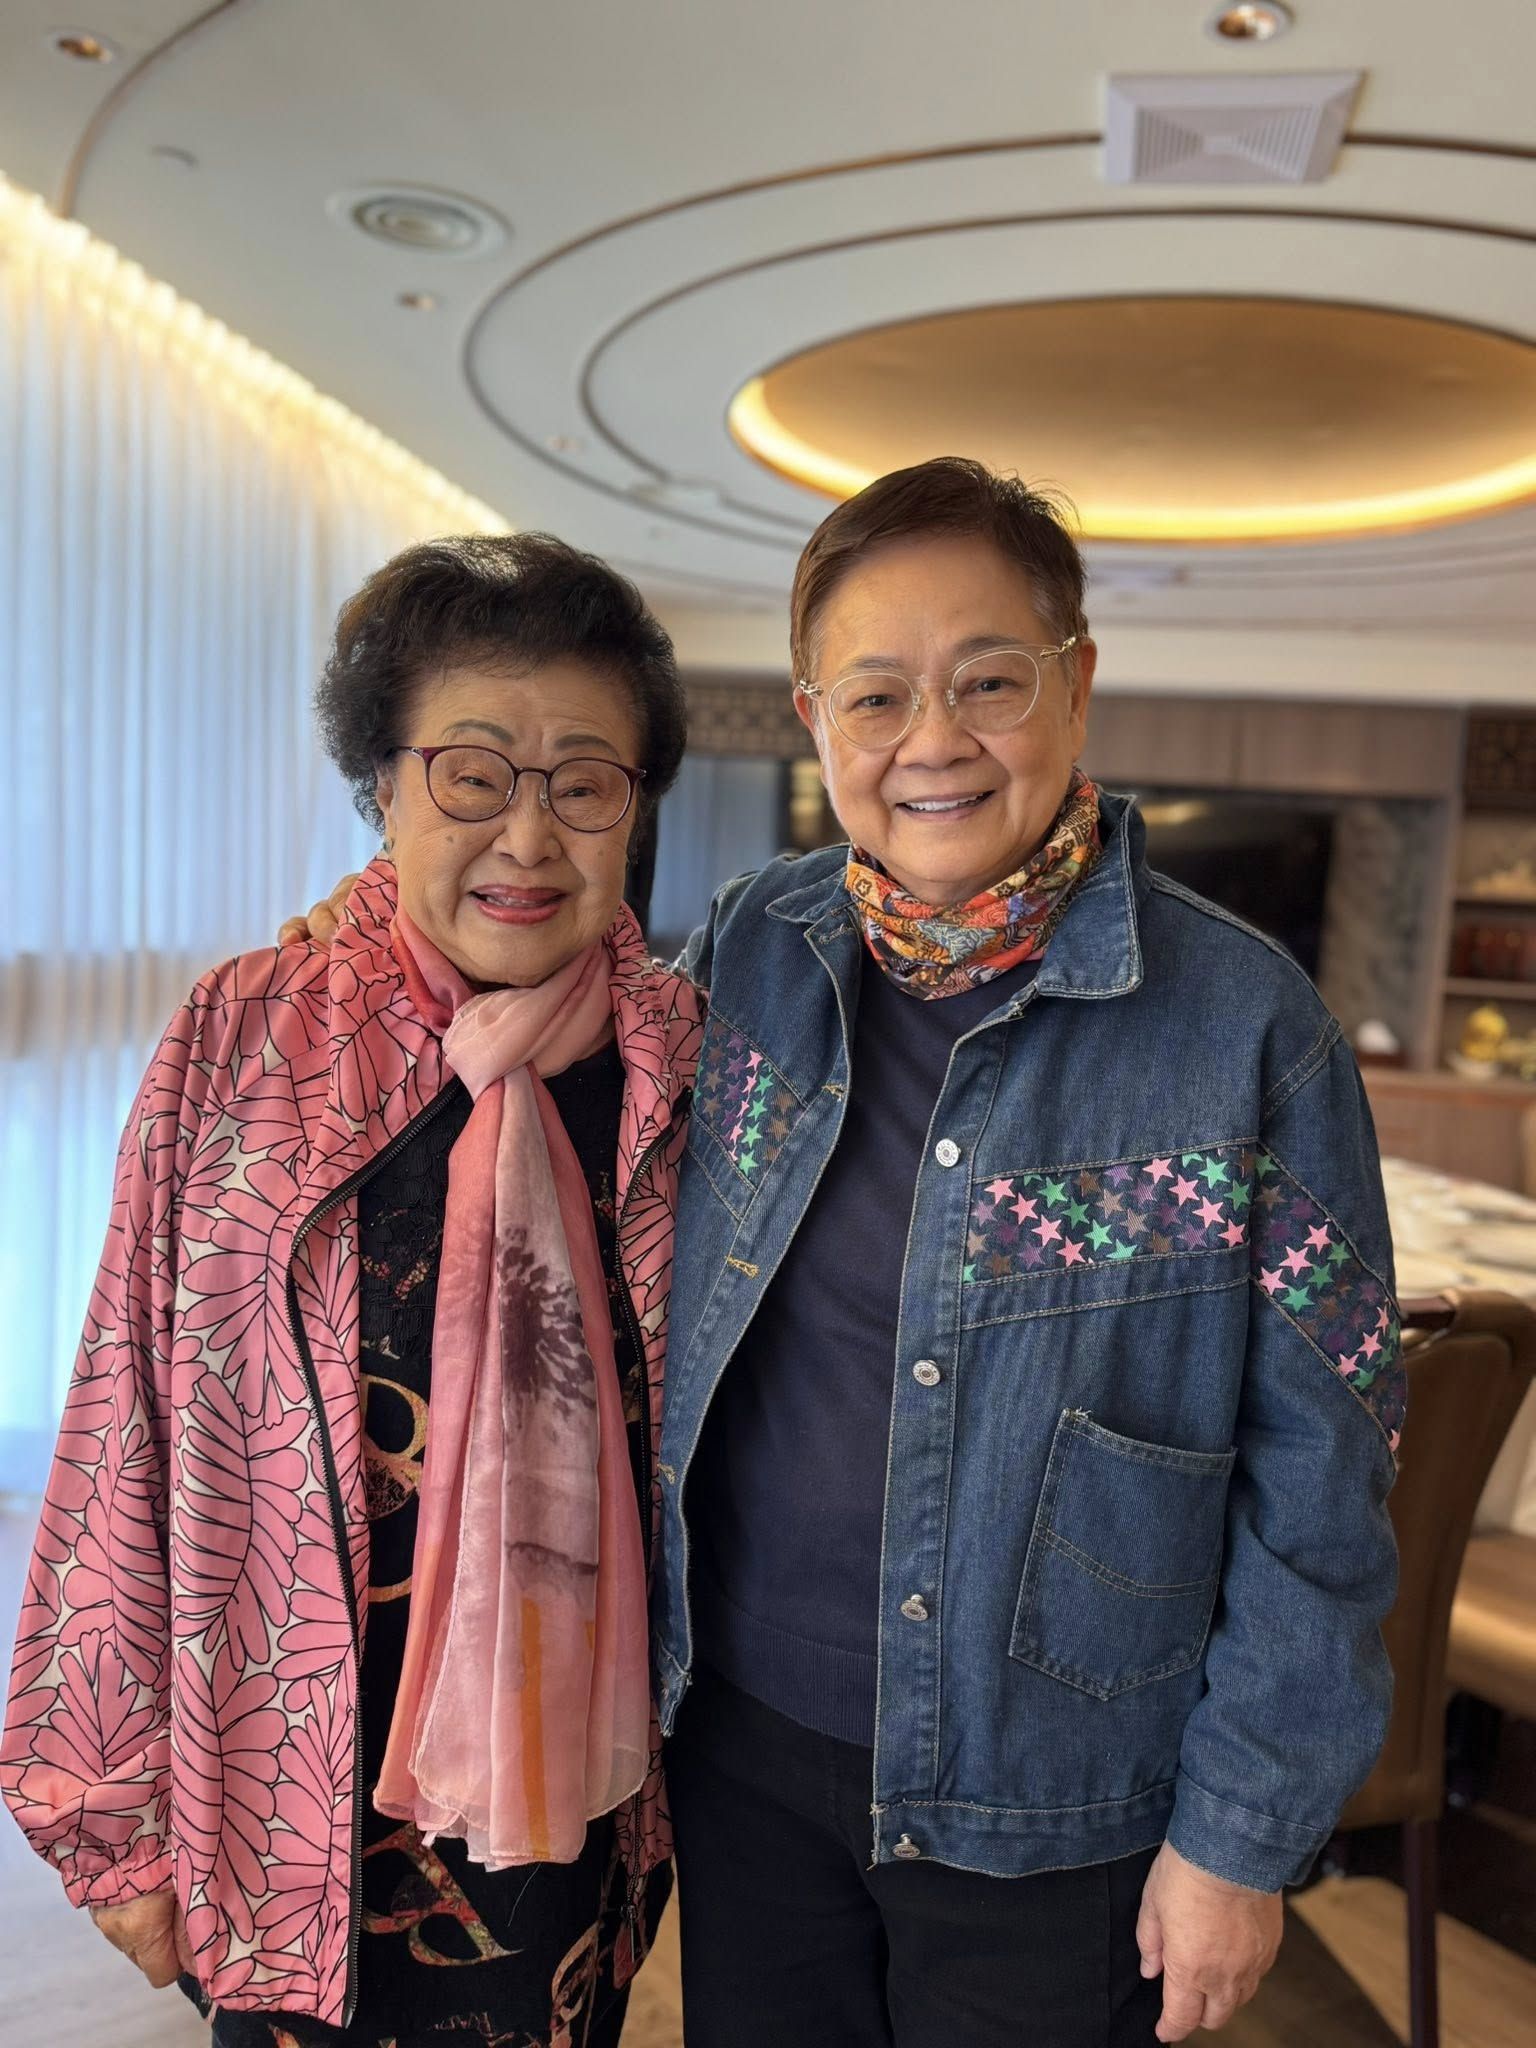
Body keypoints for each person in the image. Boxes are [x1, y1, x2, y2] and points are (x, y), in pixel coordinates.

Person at [259, 458, 1405, 2047]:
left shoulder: (1250, 1031)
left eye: (988, 681)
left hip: (1058, 1802)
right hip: (747, 1760)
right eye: (876, 696)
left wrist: (1241, 1836)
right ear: (815, 720)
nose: (931, 740)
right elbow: (541, 978)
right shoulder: (758, 950)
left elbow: (1329, 1482)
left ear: (1076, 685)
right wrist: (376, 922)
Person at [1, 534, 702, 2048]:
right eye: (472, 773)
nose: (529, 833)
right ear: (383, 788)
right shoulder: (246, 1038)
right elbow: (124, 1415)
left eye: (586, 782)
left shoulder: (683, 1067)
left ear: (634, 808)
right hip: (281, 1796)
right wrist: (106, 1812)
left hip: (567, 1800)